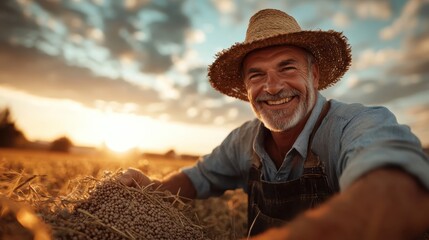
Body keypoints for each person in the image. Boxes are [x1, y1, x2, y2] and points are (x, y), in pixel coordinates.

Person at [120, 9, 429, 239]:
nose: (272, 87)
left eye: (287, 67)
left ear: (315, 75)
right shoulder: (244, 141)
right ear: (245, 88)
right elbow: (198, 178)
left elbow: (398, 187)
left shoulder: (355, 125)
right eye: (257, 75)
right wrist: (152, 189)